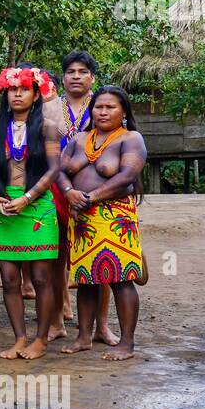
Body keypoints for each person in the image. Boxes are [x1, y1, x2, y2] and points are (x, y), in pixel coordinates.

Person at [58, 86, 148, 361]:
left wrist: (91, 196)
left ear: (123, 111)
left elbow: (127, 177)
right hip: (82, 219)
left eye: (111, 107)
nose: (104, 111)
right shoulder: (79, 139)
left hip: (115, 217)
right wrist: (69, 193)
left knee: (121, 279)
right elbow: (60, 170)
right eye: (99, 106)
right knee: (86, 280)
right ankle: (84, 336)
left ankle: (127, 343)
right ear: (91, 110)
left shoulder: (131, 138)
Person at [0, 64, 62, 360]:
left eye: (24, 89)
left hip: (37, 206)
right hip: (4, 206)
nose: (17, 95)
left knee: (42, 277)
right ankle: (19, 338)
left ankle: (40, 339)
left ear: (35, 93)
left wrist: (27, 198)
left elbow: (54, 169)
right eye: (12, 90)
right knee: (8, 279)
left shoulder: (47, 127)